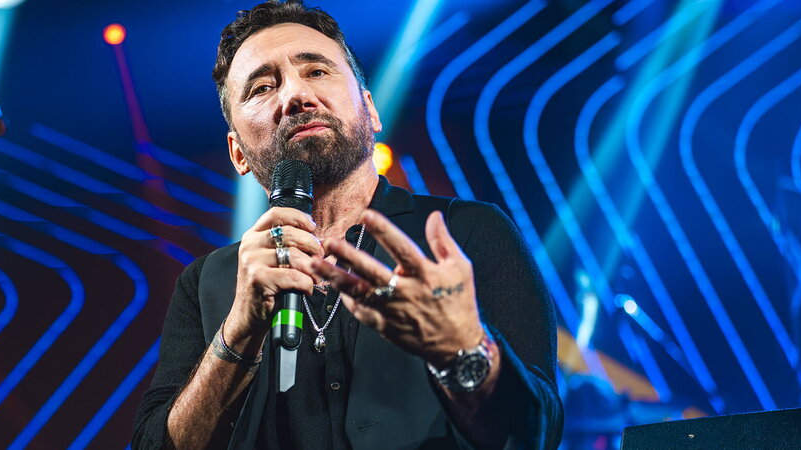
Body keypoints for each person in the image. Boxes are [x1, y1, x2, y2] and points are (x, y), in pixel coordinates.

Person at [133, 1, 562, 448]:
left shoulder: (467, 233)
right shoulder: (204, 284)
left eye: (317, 71)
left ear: (370, 110)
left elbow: (538, 434)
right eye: (261, 87)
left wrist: (461, 353)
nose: (295, 95)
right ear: (238, 152)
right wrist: (238, 331)